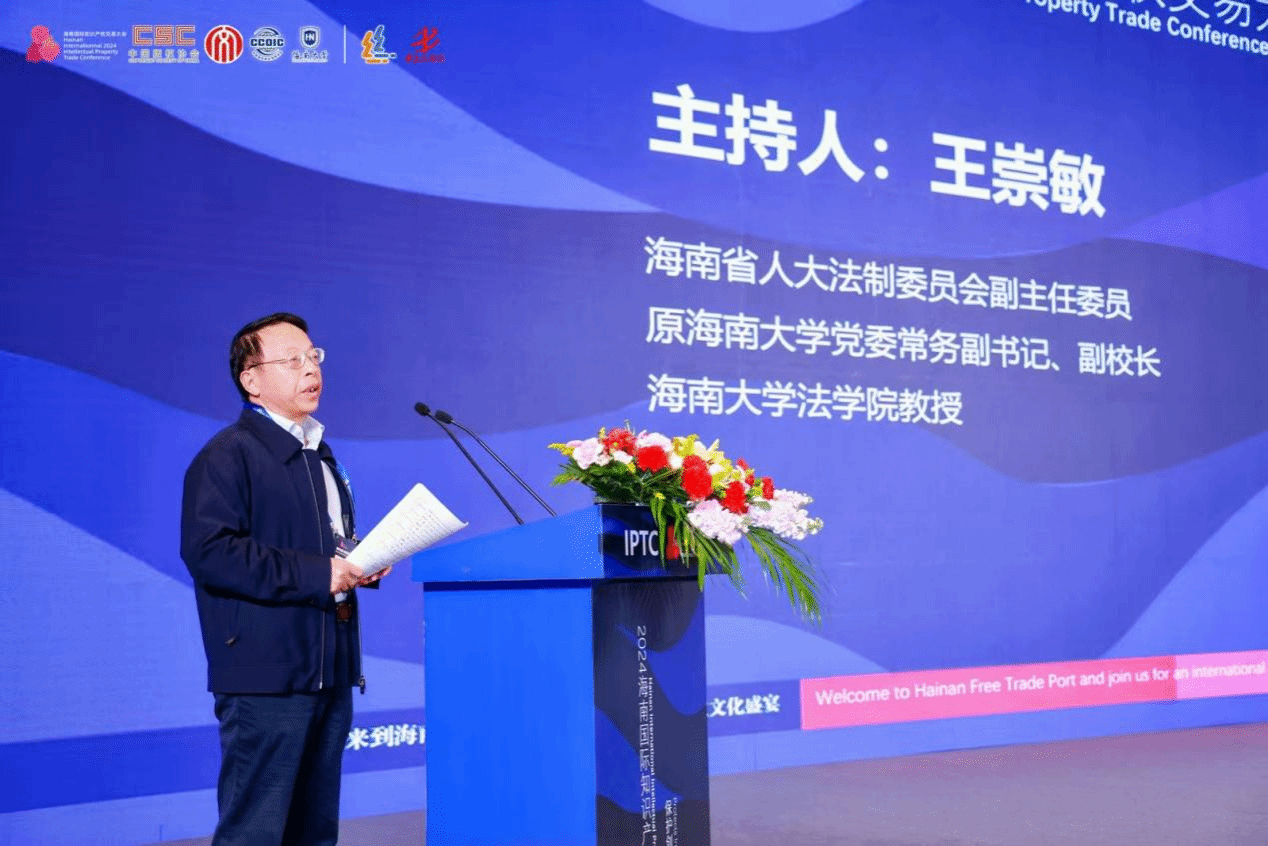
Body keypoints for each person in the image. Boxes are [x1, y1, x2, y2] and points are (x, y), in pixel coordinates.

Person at [181, 312, 387, 846]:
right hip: (267, 679)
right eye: (292, 360)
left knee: (314, 835)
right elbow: (211, 552)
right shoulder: (228, 455)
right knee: (255, 833)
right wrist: (322, 572)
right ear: (251, 379)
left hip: (330, 672)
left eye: (314, 357)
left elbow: (322, 546)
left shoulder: (319, 455)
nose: (310, 369)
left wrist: (358, 561)